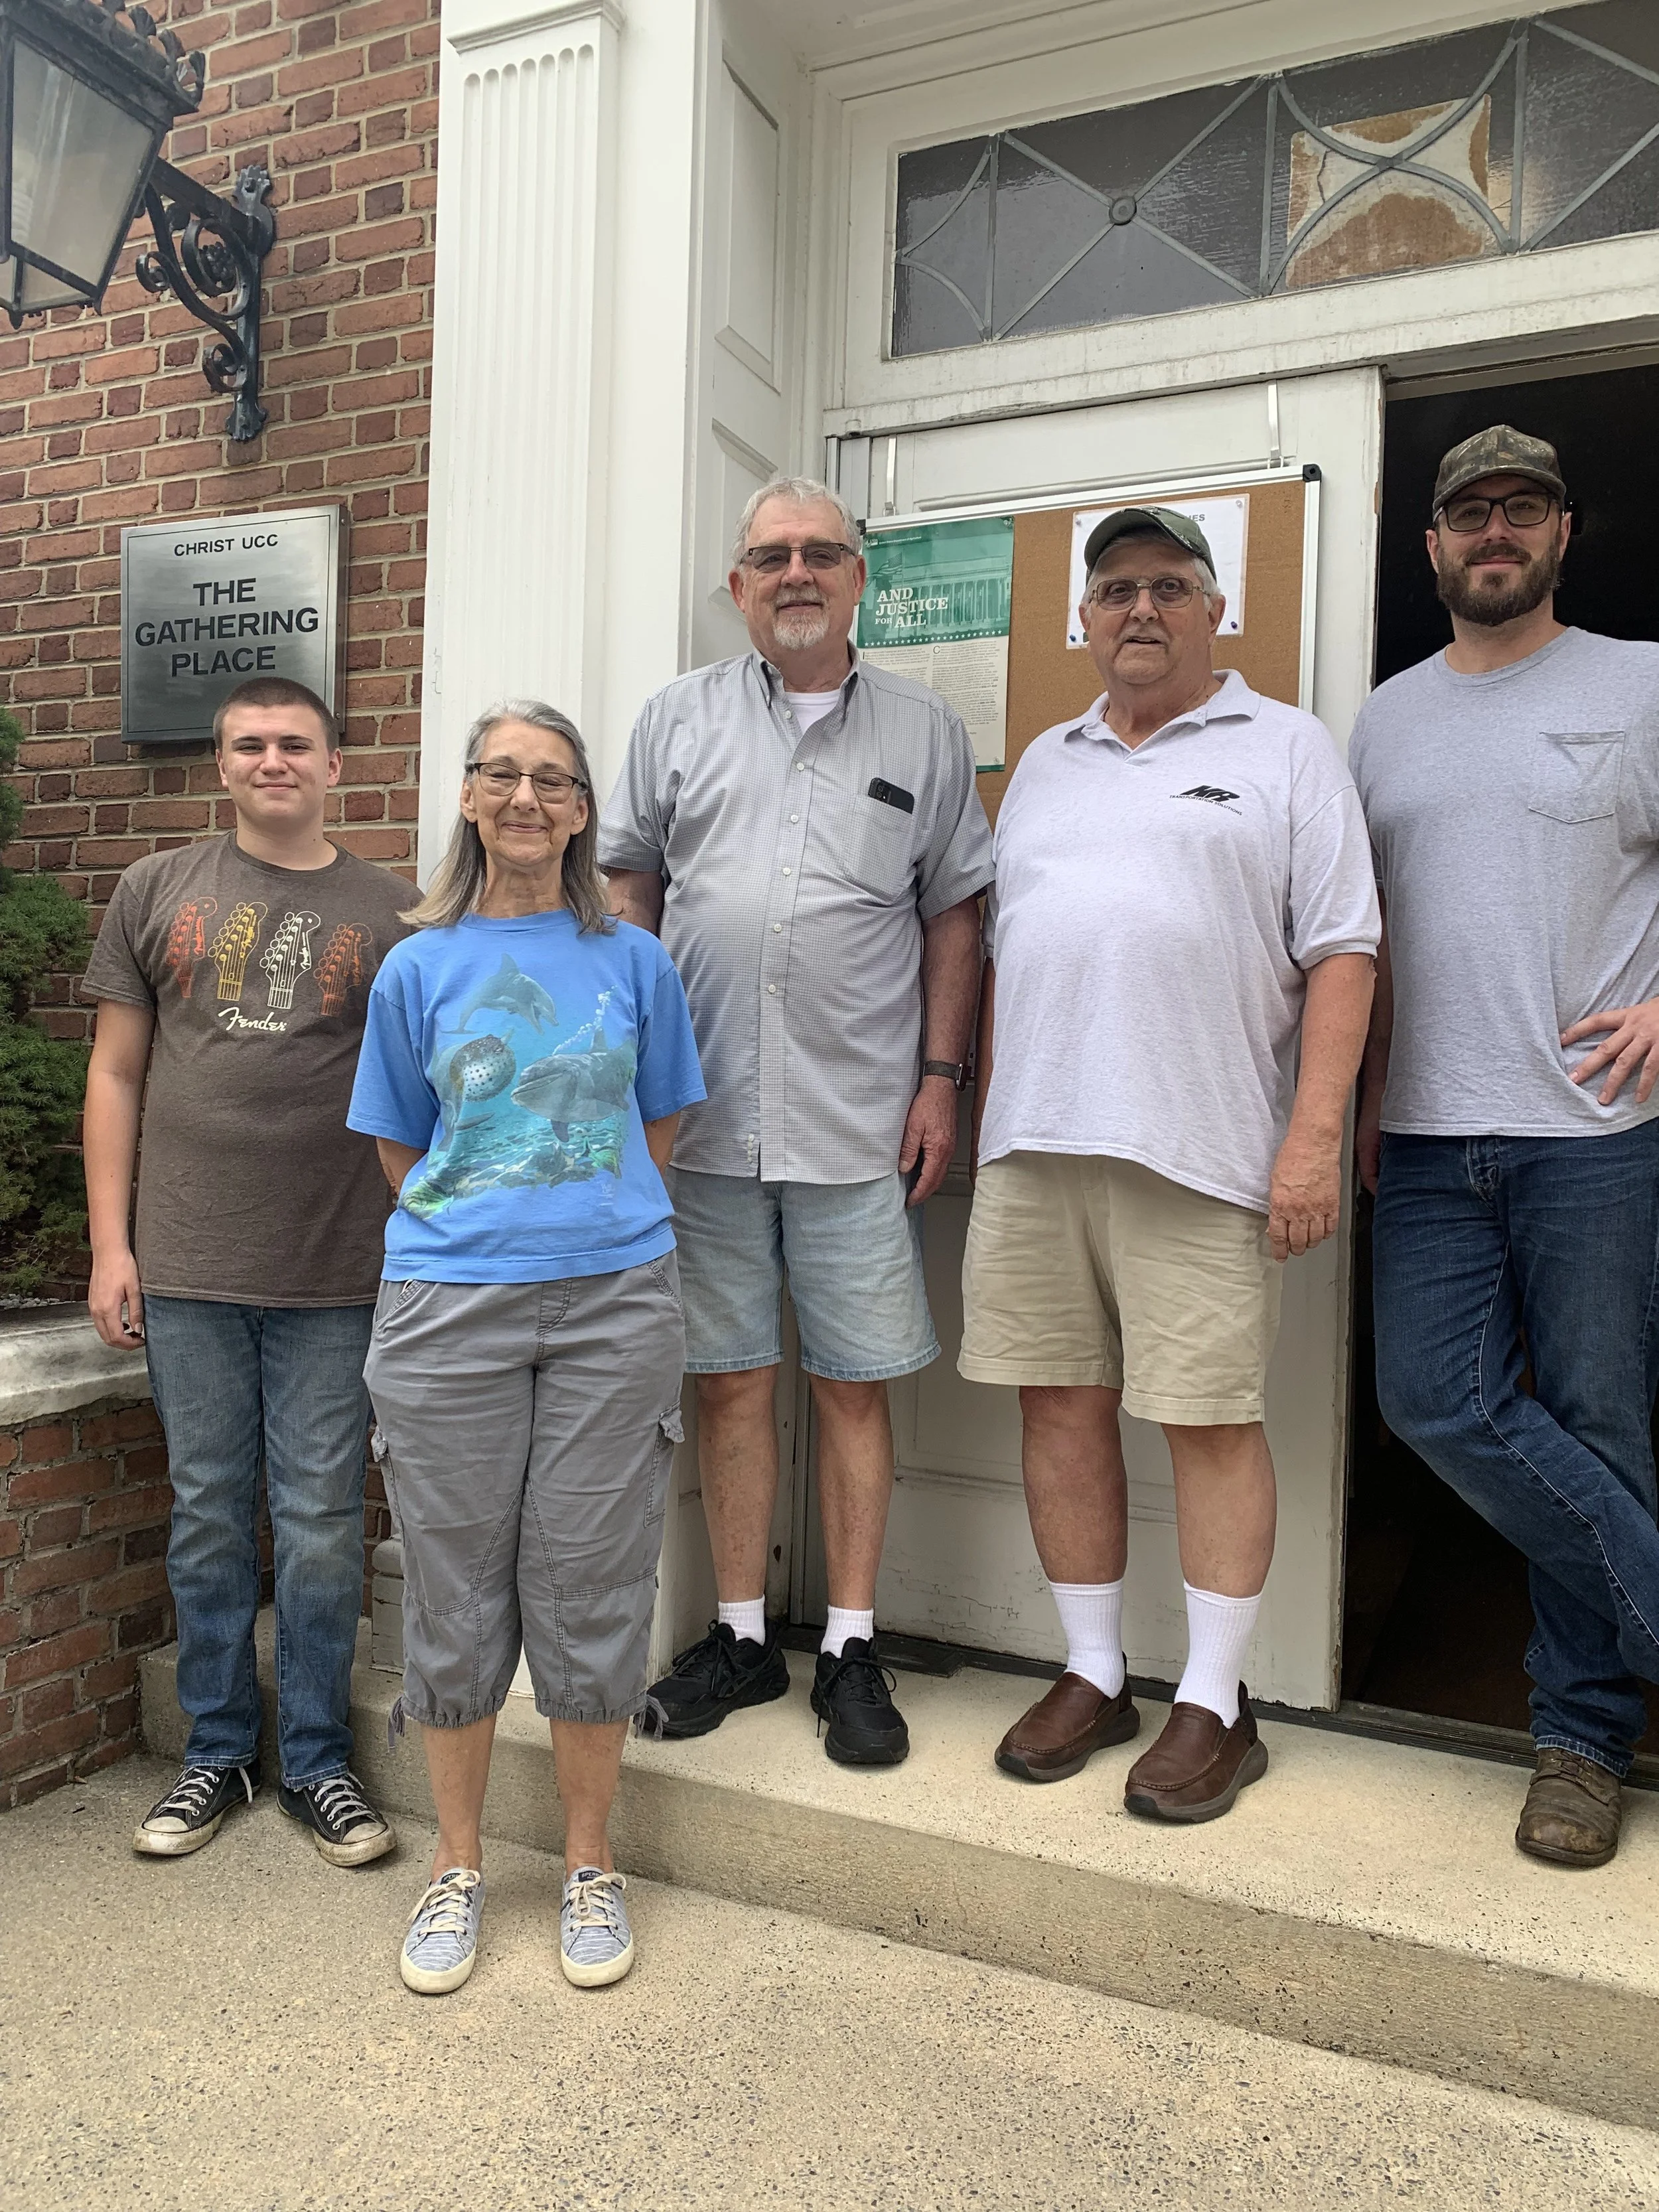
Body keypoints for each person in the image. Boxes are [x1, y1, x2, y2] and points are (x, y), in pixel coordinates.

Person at [961, 507, 1378, 1821]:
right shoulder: (1043, 760)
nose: (1137, 608)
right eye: (1114, 590)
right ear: (1083, 620)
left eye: (1167, 587)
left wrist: (1309, 1134)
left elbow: (1343, 952)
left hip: (1195, 1147)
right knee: (1055, 1407)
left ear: (1212, 611)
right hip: (1033, 1139)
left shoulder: (1286, 748)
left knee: (1204, 1416)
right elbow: (997, 949)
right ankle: (1094, 1670)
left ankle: (1214, 1698)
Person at [601, 475, 993, 1768]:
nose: (795, 572)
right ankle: (738, 1637)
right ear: (738, 585)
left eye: (821, 551)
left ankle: (851, 1648)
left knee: (852, 1388)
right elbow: (631, 899)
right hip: (697, 1128)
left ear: (859, 578)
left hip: (854, 1124)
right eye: (769, 554)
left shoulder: (926, 735)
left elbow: (953, 915)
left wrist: (941, 1075)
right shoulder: (674, 721)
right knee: (724, 1383)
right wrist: (617, 1078)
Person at [348, 700, 704, 1994]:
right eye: (501, 773)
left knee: (593, 1582)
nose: (524, 797)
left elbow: (656, 1127)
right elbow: (401, 1144)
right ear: (465, 796)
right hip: (450, 1305)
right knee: (451, 1586)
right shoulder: (416, 966)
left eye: (551, 779)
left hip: (614, 1300)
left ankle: (587, 1863)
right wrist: (485, 1225)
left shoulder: (636, 962)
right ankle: (455, 1864)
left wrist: (579, 1214)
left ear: (580, 809)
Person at [1353, 424, 1659, 1870]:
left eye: (1518, 509)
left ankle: (1581, 1739)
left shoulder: (1636, 681)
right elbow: (1357, 937)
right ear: (1428, 545)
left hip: (1592, 1136)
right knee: (1432, 1403)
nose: (1492, 531)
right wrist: (1348, 1096)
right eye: (1466, 511)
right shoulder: (1380, 720)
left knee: (1598, 1423)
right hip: (1420, 1135)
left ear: (1559, 531)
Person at [82, 674, 413, 1864]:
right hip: (187, 1267)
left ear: (337, 765)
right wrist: (112, 1246)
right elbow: (117, 1075)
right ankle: (215, 1753)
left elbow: (419, 1104)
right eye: (250, 745)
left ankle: (318, 1761)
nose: (273, 761)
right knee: (210, 1513)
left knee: (323, 1522)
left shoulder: (395, 912)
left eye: (296, 744)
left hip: (337, 1269)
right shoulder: (156, 889)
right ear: (220, 766)